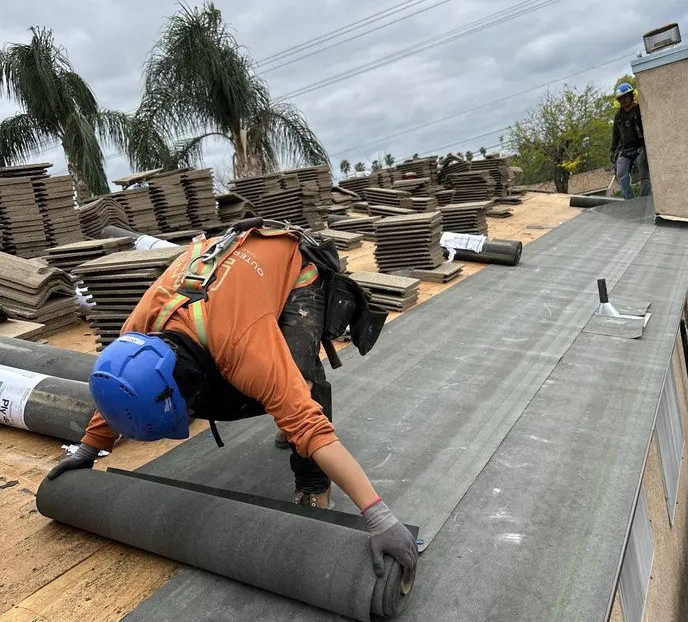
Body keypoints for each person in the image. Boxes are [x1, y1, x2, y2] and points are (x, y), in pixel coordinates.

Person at [47, 220, 417, 579]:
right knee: (272, 389)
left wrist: (379, 517)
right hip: (230, 284)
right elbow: (123, 386)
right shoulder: (138, 334)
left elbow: (312, 427)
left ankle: (312, 483)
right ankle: (283, 411)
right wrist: (87, 450)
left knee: (299, 385)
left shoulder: (245, 348)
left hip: (295, 275)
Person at [610, 82, 651, 200]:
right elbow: (615, 135)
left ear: (631, 96)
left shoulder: (639, 111)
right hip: (625, 150)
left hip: (640, 148)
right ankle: (629, 200)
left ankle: (645, 199)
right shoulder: (619, 116)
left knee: (644, 175)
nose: (623, 100)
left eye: (625, 97)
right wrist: (612, 150)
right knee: (621, 174)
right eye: (620, 99)